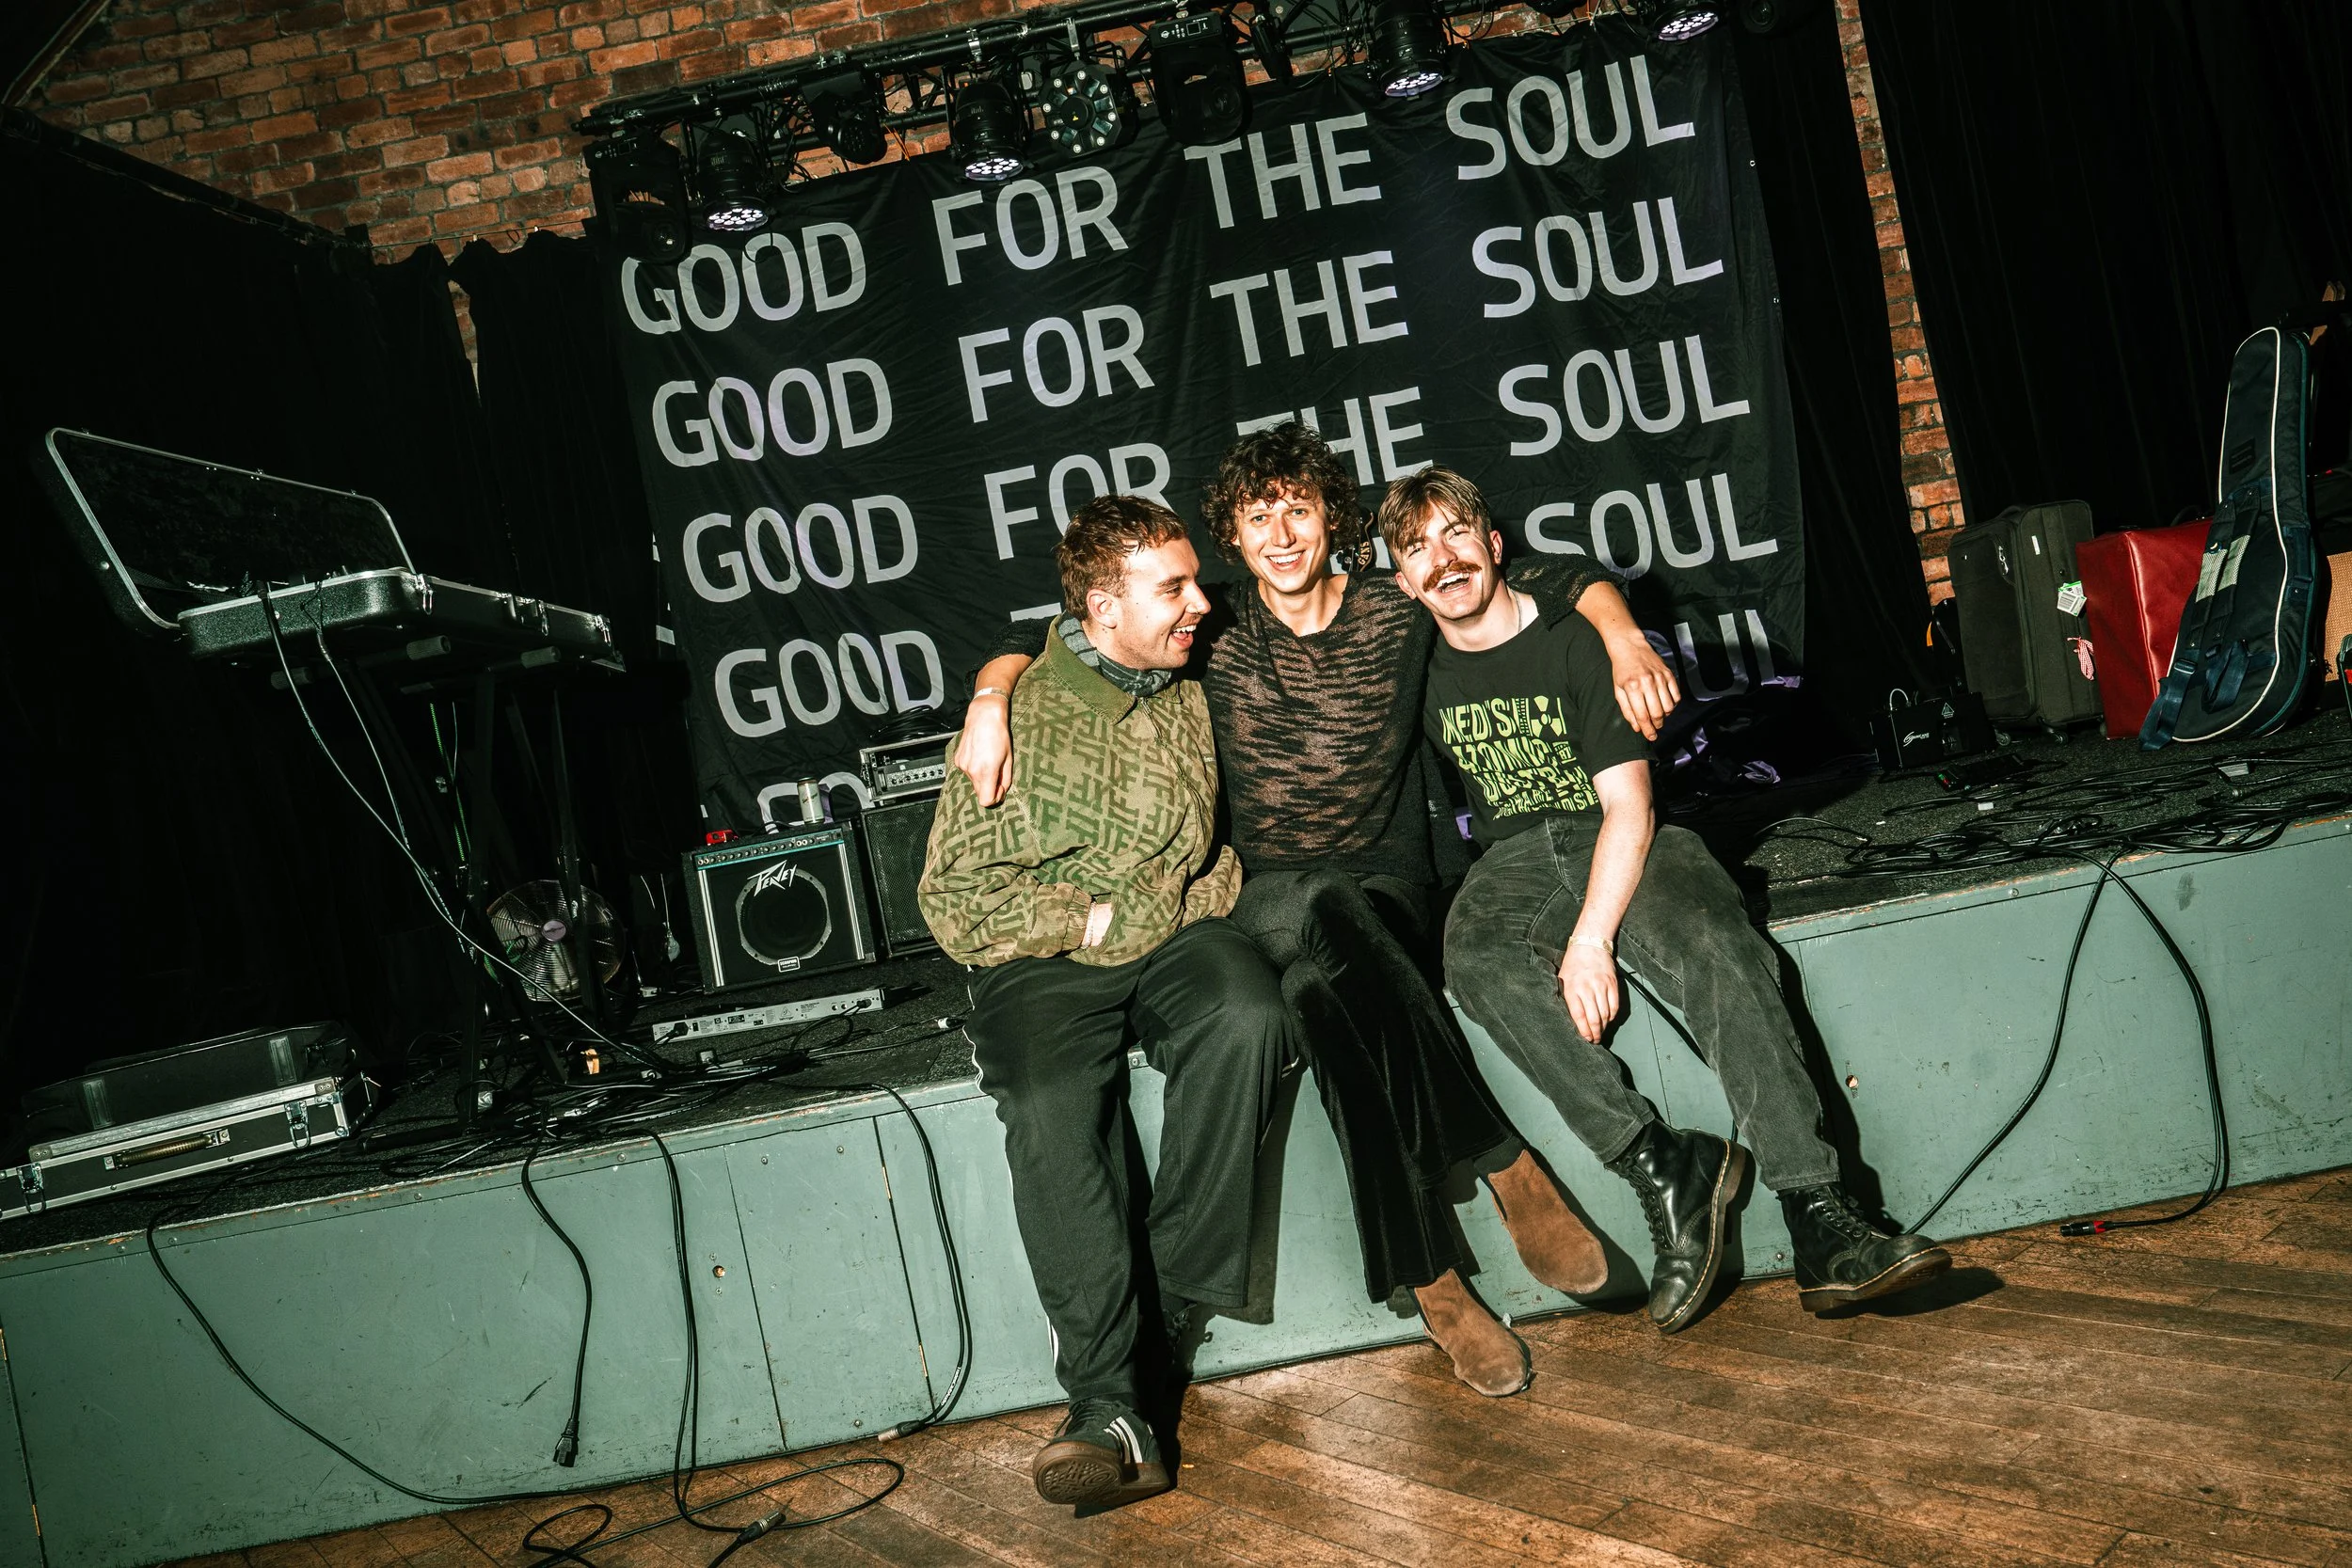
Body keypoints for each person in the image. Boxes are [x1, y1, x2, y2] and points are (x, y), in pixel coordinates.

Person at [955, 423, 1681, 1397]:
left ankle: (1429, 1281)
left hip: (1386, 890)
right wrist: (991, 692)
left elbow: (1543, 573)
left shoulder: (1396, 608)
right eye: (1259, 518)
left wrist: (1623, 631)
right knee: (1313, 922)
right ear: (1236, 537)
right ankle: (1499, 1158)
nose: (1282, 533)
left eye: (1299, 508)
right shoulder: (1208, 630)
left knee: (1327, 1005)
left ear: (1333, 519)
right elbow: (1066, 626)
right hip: (1262, 893)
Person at [1378, 467, 1951, 1333]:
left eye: (1458, 534)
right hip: (1509, 860)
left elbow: (1629, 807)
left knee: (1712, 938)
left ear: (1498, 547)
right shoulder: (1412, 660)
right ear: (1400, 580)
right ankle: (1662, 1163)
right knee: (1476, 959)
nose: (1443, 559)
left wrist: (1591, 941)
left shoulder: (1574, 639)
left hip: (1617, 824)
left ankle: (1820, 1216)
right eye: (1417, 548)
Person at [919, 495, 1292, 1509]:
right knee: (1046, 1108)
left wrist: (1188, 900)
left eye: (1194, 581)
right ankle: (1106, 1406)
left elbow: (1214, 855)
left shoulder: (1188, 680)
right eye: (1172, 588)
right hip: (1046, 952)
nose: (1200, 604)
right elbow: (953, 901)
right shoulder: (1023, 711)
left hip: (1171, 929)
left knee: (1250, 1014)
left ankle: (1163, 1306)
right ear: (1100, 604)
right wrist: (1090, 922)